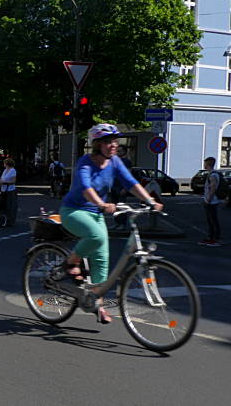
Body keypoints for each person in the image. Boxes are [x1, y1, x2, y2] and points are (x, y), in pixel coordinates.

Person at [60, 123, 163, 324]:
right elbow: (85, 188)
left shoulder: (114, 162)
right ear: (97, 145)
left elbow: (130, 182)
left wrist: (149, 201)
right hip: (74, 211)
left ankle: (95, 302)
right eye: (108, 142)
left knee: (101, 261)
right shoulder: (85, 162)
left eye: (115, 141)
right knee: (96, 236)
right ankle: (71, 262)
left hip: (96, 214)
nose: (113, 145)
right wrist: (101, 203)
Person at [198, 156, 222, 246]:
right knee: (210, 220)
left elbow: (213, 188)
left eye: (205, 163)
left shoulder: (213, 175)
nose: (204, 165)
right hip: (211, 201)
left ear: (208, 164)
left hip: (212, 202)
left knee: (213, 220)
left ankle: (214, 239)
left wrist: (208, 199)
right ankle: (210, 238)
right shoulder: (211, 174)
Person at [0, 158, 18, 226]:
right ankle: (4, 218)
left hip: (10, 190)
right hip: (3, 190)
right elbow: (1, 178)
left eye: (4, 163)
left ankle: (10, 220)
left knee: (10, 205)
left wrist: (4, 182)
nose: (3, 164)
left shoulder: (13, 170)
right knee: (3, 205)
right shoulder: (5, 170)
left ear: (7, 164)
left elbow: (13, 181)